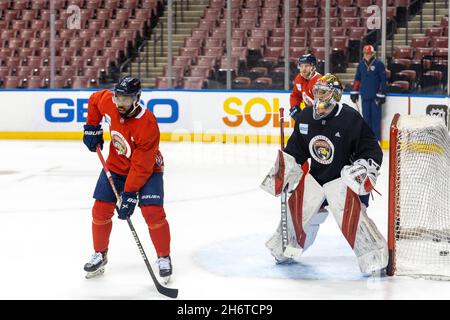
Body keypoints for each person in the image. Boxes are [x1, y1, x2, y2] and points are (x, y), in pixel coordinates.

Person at [261, 74, 388, 274]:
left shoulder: (350, 118)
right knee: (297, 211)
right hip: (317, 178)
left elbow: (371, 149)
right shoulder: (305, 117)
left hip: (343, 181)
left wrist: (363, 168)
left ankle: (374, 257)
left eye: (323, 91)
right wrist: (282, 173)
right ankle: (287, 249)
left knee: (354, 221)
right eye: (316, 90)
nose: (317, 95)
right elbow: (296, 150)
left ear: (335, 95)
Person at [82, 76, 172, 281]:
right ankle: (100, 254)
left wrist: (130, 194)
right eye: (118, 98)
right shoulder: (111, 104)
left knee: (152, 212)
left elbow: (141, 166)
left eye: (126, 99)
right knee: (100, 210)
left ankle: (163, 256)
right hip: (116, 166)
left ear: (137, 98)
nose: (120, 103)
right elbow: (95, 99)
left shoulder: (147, 123)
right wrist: (92, 127)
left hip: (148, 170)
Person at [350, 45, 387, 142]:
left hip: (375, 98)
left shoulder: (379, 64)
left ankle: (376, 140)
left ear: (373, 53)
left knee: (376, 119)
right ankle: (367, 140)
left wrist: (381, 94)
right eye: (366, 53)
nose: (367, 55)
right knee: (366, 119)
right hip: (365, 96)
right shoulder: (361, 65)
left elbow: (383, 81)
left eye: (369, 53)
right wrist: (354, 91)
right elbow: (357, 79)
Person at [289, 53, 322, 123]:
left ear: (313, 67)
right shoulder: (299, 78)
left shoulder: (319, 82)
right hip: (310, 113)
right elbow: (295, 95)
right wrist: (294, 107)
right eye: (301, 66)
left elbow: (324, 105)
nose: (303, 69)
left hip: (322, 117)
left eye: (306, 66)